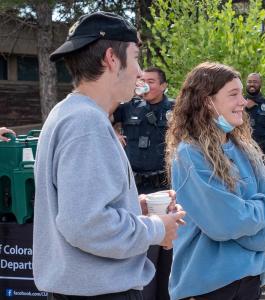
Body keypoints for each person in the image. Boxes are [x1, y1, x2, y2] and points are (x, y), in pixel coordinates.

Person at [33, 11, 186, 299]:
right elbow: (86, 224)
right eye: (136, 56)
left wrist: (132, 207)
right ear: (111, 58)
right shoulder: (85, 122)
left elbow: (83, 211)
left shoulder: (70, 114)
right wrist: (156, 228)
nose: (140, 72)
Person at [165, 62, 265, 300]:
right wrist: (264, 205)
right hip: (209, 286)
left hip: (250, 279)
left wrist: (247, 221)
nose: (243, 102)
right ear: (206, 101)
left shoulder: (245, 149)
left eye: (241, 94)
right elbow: (226, 223)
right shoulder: (190, 154)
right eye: (233, 94)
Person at [112, 66, 173, 300]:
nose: (145, 85)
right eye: (143, 80)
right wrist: (112, 133)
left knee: (166, 246)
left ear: (163, 85)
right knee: (139, 243)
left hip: (164, 186)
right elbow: (101, 116)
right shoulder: (128, 107)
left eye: (152, 81)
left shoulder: (175, 109)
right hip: (134, 188)